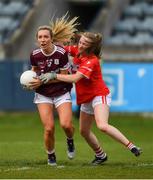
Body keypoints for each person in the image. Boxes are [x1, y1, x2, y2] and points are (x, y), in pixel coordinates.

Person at [39, 31, 142, 165]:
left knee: (102, 125)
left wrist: (54, 75)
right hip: (86, 98)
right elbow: (58, 50)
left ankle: (131, 146)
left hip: (99, 95)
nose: (81, 45)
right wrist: (49, 40)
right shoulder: (75, 50)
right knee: (84, 131)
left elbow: (75, 78)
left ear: (91, 47)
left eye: (85, 44)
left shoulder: (92, 61)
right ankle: (100, 155)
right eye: (80, 42)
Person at [27, 25, 76, 166]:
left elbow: (64, 76)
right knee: (49, 128)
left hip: (61, 91)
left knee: (66, 125)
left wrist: (45, 79)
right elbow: (34, 71)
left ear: (52, 39)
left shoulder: (61, 53)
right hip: (43, 94)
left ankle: (70, 141)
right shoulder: (34, 54)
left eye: (46, 36)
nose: (43, 39)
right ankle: (51, 155)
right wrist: (32, 81)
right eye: (40, 37)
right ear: (37, 39)